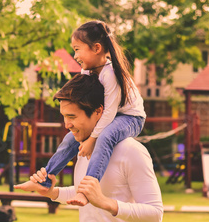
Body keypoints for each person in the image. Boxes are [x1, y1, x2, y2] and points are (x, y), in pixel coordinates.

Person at [15, 74, 163, 222]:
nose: (66, 124)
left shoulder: (131, 151)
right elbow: (83, 193)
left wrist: (105, 202)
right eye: (64, 117)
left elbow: (155, 214)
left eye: (72, 117)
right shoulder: (83, 147)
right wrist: (52, 192)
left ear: (99, 112)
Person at [19, 20, 146, 206]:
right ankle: (45, 178)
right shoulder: (88, 72)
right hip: (111, 116)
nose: (75, 55)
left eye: (78, 49)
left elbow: (109, 112)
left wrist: (91, 140)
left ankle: (87, 191)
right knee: (70, 138)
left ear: (96, 48)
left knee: (106, 136)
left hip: (130, 118)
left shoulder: (110, 74)